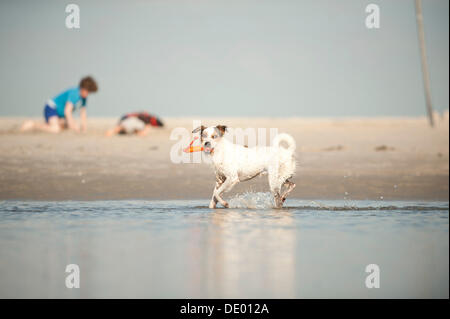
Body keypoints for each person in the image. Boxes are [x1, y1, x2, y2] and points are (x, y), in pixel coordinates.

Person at [21, 76, 98, 133]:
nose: (87, 94)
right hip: (51, 108)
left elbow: (83, 113)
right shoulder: (75, 93)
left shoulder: (83, 98)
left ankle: (49, 124)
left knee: (71, 125)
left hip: (60, 115)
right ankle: (33, 124)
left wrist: (84, 129)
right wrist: (73, 127)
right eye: (87, 91)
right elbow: (67, 111)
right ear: (82, 88)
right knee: (55, 129)